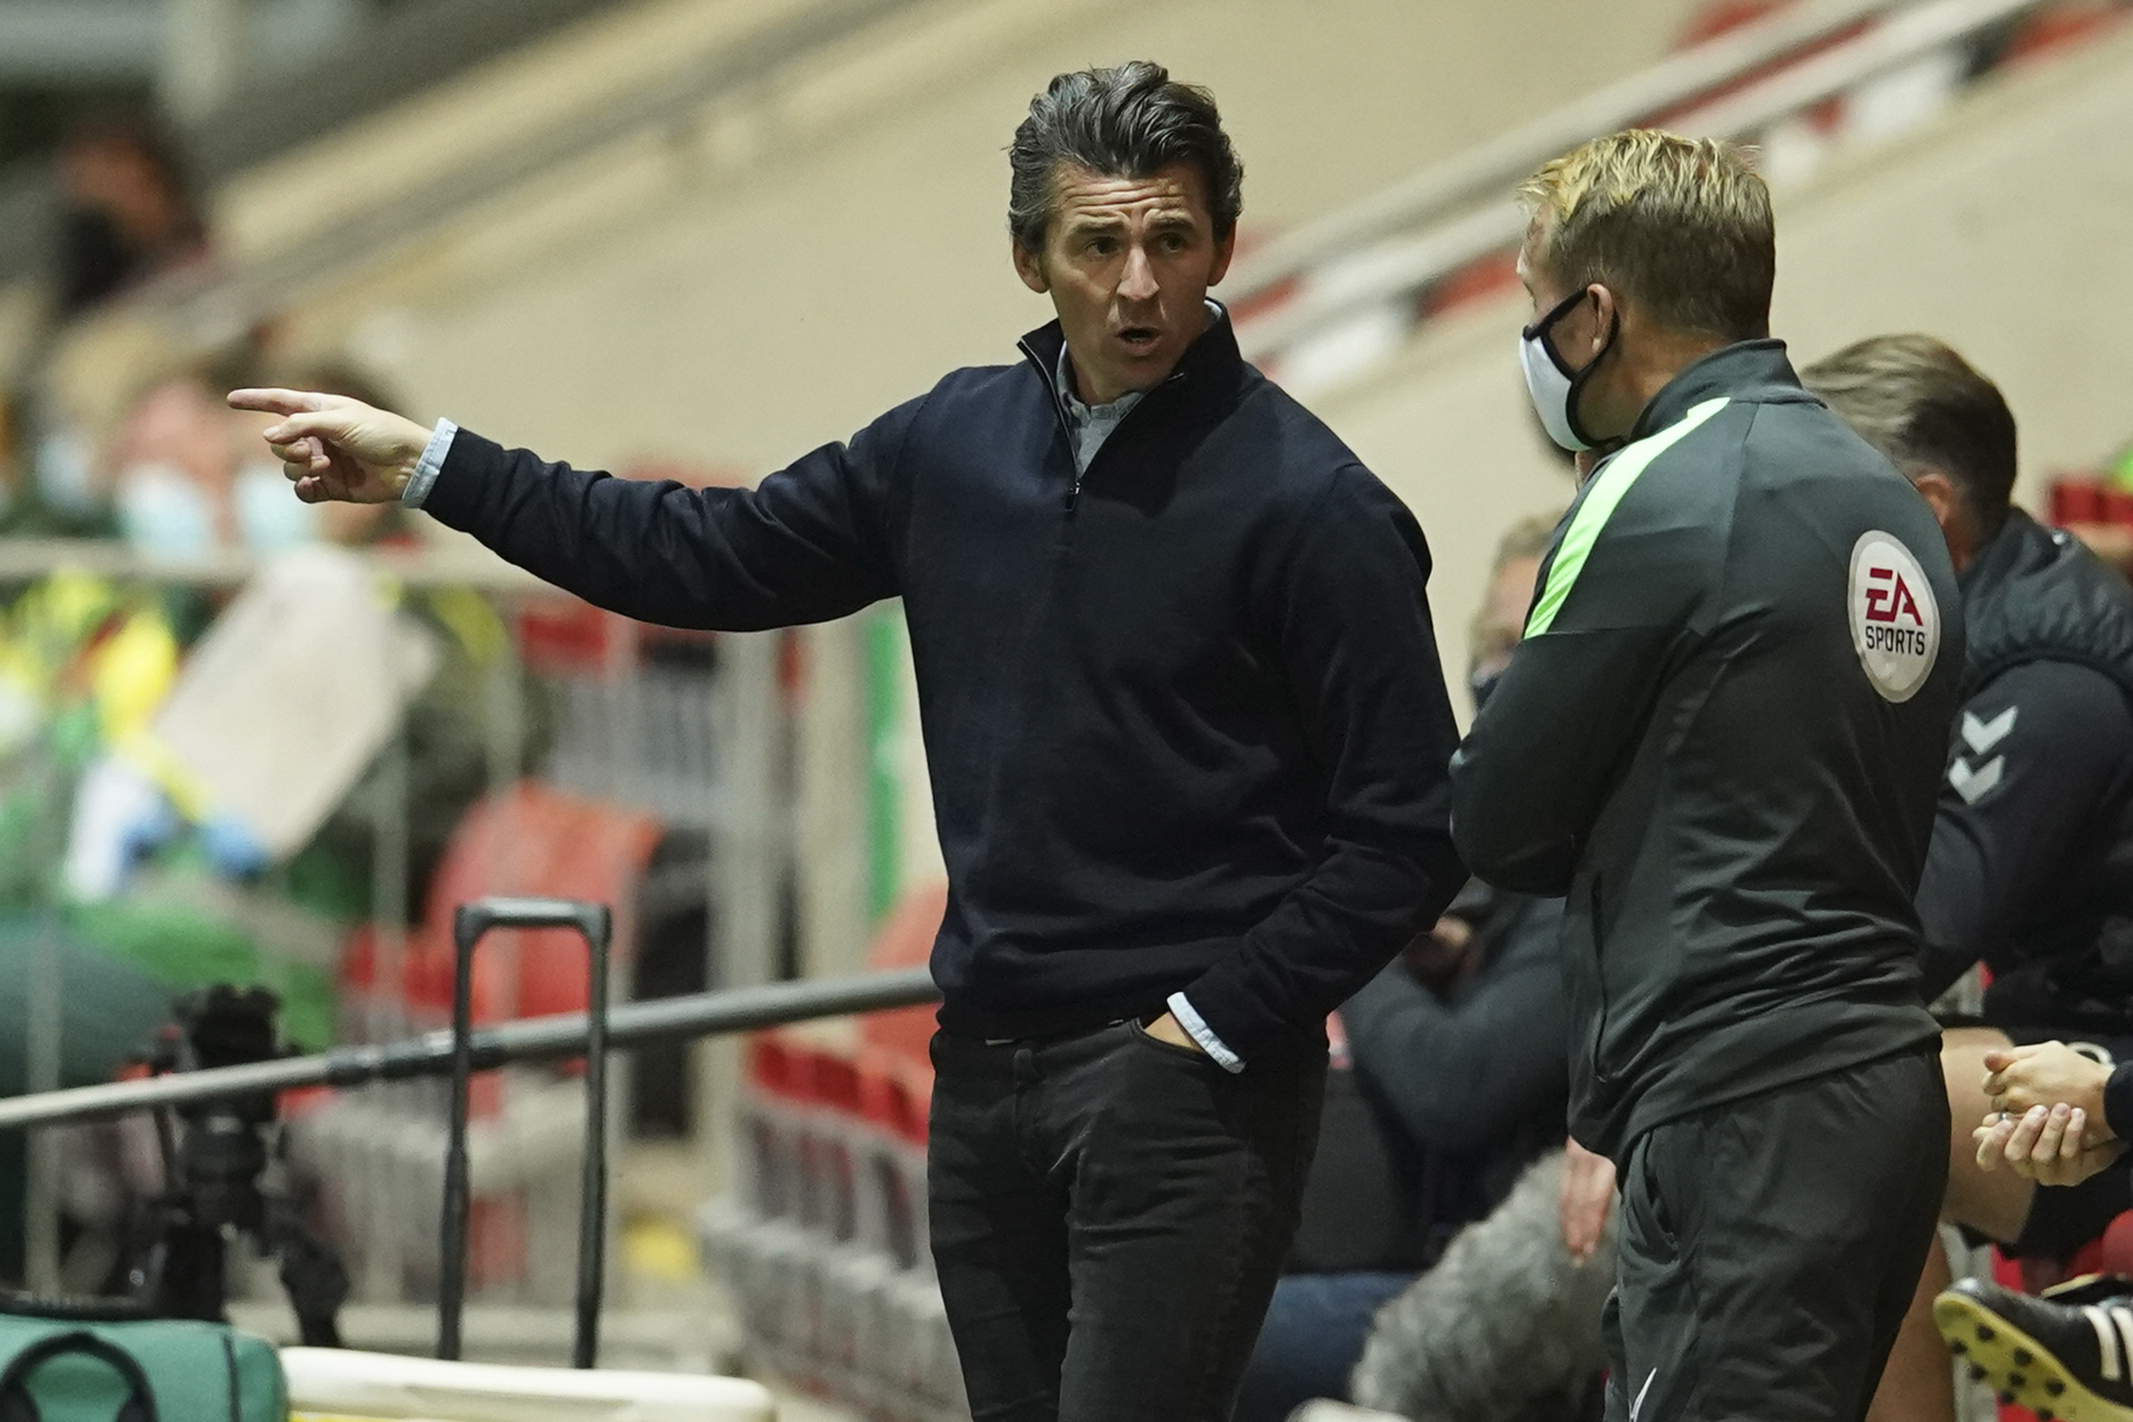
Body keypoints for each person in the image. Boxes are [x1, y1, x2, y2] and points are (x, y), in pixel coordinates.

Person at [227, 61, 1465, 1422]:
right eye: (1096, 244)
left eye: (1171, 242)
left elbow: (1405, 835)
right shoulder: (950, 445)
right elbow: (699, 555)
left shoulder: (1314, 506)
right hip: (987, 1065)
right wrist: (435, 467)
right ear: (1027, 258)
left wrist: (1211, 1025)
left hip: (1185, 1092)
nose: (1136, 285)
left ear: (1221, 246)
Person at [1451, 128, 1963, 1422]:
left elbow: (1496, 815)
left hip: (1739, 1105)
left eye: (1531, 300)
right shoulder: (1885, 497)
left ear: (1596, 314)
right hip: (1879, 1087)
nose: (1530, 342)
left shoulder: (1651, 489)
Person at [1793, 334, 2133, 1422]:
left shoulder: (2050, 674)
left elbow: (1924, 923)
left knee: (1839, 1089)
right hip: (2061, 1036)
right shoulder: (1944, 636)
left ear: (1925, 509)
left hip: (2107, 1072)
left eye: (1819, 506)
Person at [1236, 512, 1570, 1422]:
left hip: (1514, 1305)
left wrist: (1346, 945)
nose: (1501, 668)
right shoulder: (1500, 856)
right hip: (1416, 1259)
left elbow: (1457, 1085)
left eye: (1531, 640)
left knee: (1192, 1336)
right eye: (1493, 643)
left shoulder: (1590, 865)